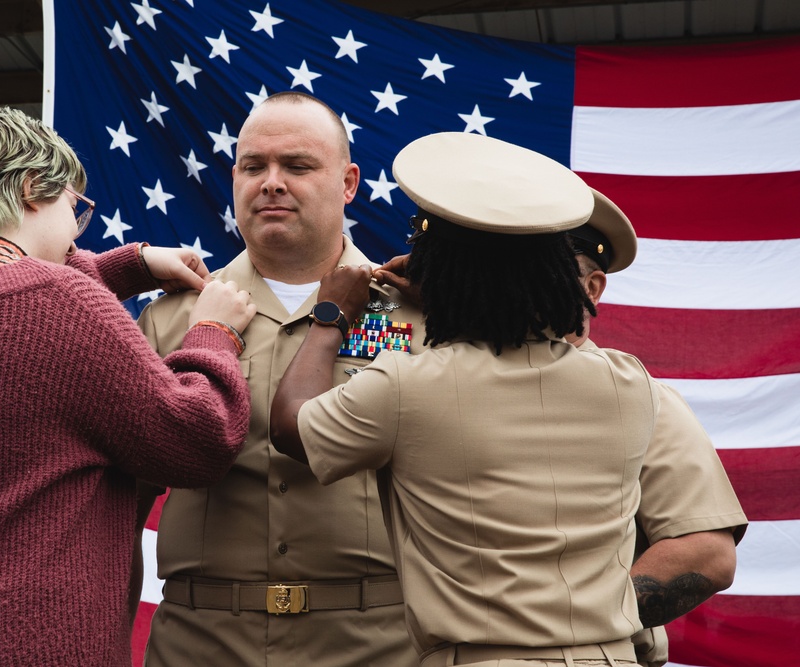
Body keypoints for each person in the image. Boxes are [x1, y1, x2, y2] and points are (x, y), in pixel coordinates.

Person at [0, 105, 256, 666]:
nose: (77, 230)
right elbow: (196, 438)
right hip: (21, 648)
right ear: (32, 189)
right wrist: (214, 331)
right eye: (75, 208)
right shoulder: (54, 302)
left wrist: (130, 263)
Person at [270, 130, 688, 666]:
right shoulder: (627, 380)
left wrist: (331, 316)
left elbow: (290, 425)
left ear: (444, 274)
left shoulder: (409, 385)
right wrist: (466, 301)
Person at [136, 91, 424, 666]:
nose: (270, 182)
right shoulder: (170, 319)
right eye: (253, 167)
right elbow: (117, 498)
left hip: (375, 644)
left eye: (296, 166)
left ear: (348, 183)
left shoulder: (415, 315)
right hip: (204, 642)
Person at [566, 189, 747, 666]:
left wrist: (565, 629)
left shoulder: (640, 397)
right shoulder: (443, 376)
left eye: (546, 271)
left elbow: (706, 554)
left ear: (593, 288)